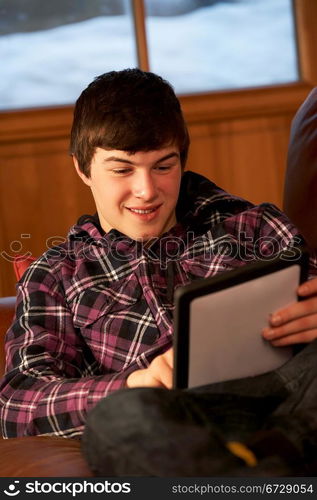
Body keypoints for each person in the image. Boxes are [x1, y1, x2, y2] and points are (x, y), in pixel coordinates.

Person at [1, 69, 317, 476]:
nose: (147, 190)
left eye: (163, 166)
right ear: (83, 168)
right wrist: (134, 383)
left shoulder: (254, 226)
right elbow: (17, 402)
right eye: (122, 170)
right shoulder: (57, 273)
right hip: (174, 417)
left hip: (286, 391)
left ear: (182, 159)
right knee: (118, 420)